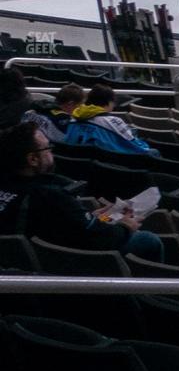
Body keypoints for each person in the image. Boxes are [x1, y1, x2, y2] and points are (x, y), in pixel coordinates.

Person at [0, 121, 164, 260]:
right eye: (48, 149)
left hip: (24, 261)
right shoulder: (50, 195)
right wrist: (125, 227)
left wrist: (92, 219)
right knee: (148, 239)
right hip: (62, 264)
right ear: (33, 159)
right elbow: (98, 239)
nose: (51, 153)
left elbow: (65, 224)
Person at [59, 84, 156, 157]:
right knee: (153, 152)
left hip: (87, 163)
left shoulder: (73, 119)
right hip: (116, 162)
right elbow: (137, 147)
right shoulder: (113, 121)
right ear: (109, 102)